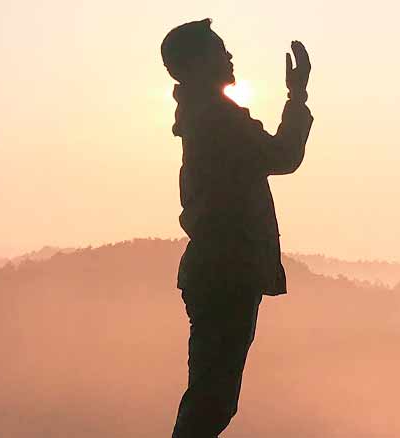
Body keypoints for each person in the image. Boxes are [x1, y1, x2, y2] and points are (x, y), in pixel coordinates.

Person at [160, 18, 313, 437]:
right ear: (194, 64)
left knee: (211, 397)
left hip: (217, 272)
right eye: (219, 50)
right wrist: (297, 96)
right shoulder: (217, 120)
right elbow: (282, 155)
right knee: (213, 401)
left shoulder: (203, 116)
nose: (228, 56)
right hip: (225, 273)